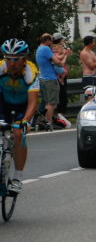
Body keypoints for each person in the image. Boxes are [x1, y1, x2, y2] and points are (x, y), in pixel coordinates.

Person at [0, 39, 40, 193]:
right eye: (8, 58)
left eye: (16, 59)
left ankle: (17, 177)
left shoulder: (31, 73)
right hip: (3, 104)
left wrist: (24, 121)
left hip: (23, 107)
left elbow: (33, 102)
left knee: (18, 133)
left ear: (25, 59)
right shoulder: (1, 69)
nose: (12, 63)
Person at [36, 33, 69, 128]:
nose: (52, 42)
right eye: (51, 40)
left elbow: (53, 60)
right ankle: (48, 122)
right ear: (47, 41)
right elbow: (58, 62)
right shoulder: (46, 49)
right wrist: (64, 59)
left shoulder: (39, 48)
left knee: (46, 101)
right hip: (50, 79)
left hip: (43, 78)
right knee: (51, 103)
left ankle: (40, 122)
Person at [51, 33, 72, 125]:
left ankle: (58, 117)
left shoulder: (55, 47)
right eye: (62, 40)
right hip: (59, 75)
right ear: (59, 40)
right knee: (61, 97)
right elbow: (59, 61)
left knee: (61, 97)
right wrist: (65, 54)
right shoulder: (57, 48)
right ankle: (58, 117)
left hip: (61, 74)